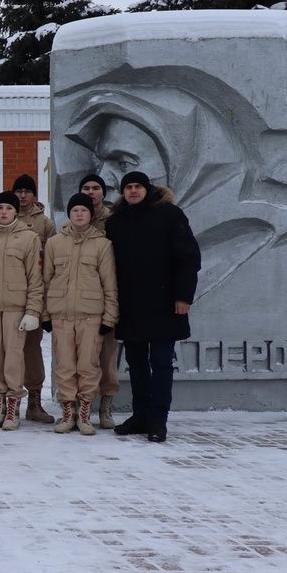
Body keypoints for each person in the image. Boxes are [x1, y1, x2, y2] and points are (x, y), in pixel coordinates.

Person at [105, 171, 201, 443]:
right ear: (123, 192)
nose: (133, 191)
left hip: (165, 304)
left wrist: (184, 296)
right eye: (129, 187)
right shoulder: (116, 222)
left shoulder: (170, 215)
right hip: (131, 305)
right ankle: (140, 415)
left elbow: (189, 257)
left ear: (147, 189)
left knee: (160, 362)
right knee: (135, 362)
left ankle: (158, 419)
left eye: (138, 187)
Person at [43, 193, 119, 436]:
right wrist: (45, 313)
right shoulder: (55, 243)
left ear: (90, 214)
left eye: (83, 211)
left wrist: (109, 317)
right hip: (61, 314)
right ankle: (68, 413)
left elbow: (109, 284)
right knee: (64, 365)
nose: (79, 214)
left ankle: (84, 413)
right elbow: (46, 281)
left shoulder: (102, 244)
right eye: (75, 210)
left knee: (88, 365)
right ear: (69, 214)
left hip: (91, 315)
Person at [0, 191, 44, 431]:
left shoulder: (29, 238)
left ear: (16, 212)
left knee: (13, 357)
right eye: (0, 207)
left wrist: (33, 311)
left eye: (9, 208)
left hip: (16, 308)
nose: (4, 212)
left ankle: (13, 408)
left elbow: (35, 278)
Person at [11, 173, 57, 424]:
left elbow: (50, 263)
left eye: (27, 191)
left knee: (31, 349)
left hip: (34, 294)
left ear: (34, 195)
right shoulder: (3, 218)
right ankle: (7, 401)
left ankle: (34, 402)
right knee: (6, 350)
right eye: (18, 191)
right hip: (7, 295)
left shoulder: (45, 224)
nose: (22, 195)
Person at [78, 173, 119, 427]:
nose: (91, 192)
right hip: (79, 298)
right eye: (86, 188)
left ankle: (105, 406)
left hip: (107, 294)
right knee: (80, 356)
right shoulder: (75, 218)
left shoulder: (115, 220)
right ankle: (81, 405)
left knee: (106, 355)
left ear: (103, 193)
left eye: (96, 188)